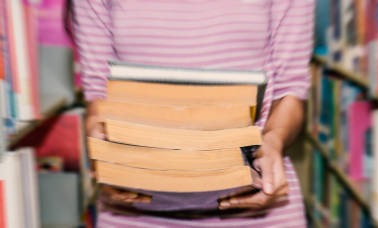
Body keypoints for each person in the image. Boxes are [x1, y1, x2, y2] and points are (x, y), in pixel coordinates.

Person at [71, 0, 313, 227]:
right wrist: (99, 148)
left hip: (260, 211)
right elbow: (98, 94)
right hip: (132, 211)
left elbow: (290, 90)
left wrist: (272, 142)